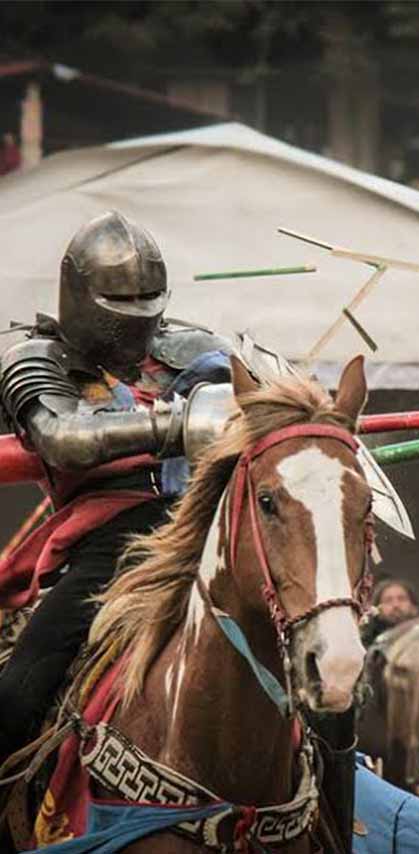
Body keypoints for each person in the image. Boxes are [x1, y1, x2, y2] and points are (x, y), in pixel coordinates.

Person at [0, 211, 232, 764]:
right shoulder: (38, 358)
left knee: (326, 661)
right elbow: (61, 437)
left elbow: (265, 407)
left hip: (214, 520)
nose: (135, 318)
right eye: (119, 303)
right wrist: (179, 425)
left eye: (146, 300)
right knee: (17, 692)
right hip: (113, 543)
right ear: (80, 295)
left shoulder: (198, 349)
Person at [360, 578, 419, 645]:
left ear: (414, 607)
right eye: (388, 600)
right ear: (377, 610)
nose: (396, 605)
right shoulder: (366, 645)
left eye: (402, 599)